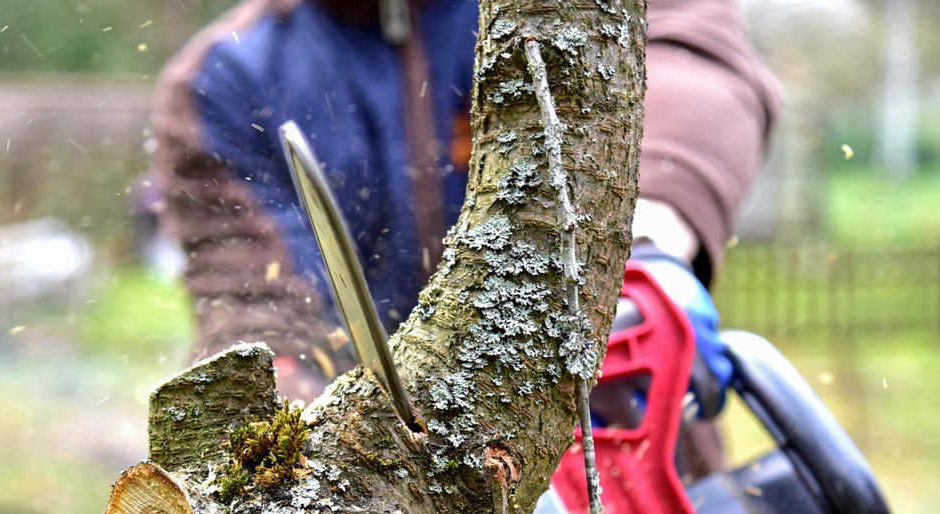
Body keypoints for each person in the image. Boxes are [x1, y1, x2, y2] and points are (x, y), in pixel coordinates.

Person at [149, 0, 781, 462]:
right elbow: (259, 318)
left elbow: (692, 53)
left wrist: (640, 243)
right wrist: (318, 445)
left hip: (628, 455)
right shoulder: (225, 81)